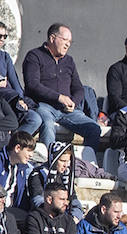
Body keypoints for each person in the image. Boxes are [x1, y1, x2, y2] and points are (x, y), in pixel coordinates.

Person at [22, 23, 99, 151]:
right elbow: (32, 85)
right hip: (43, 106)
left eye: (70, 41)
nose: (68, 44)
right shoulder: (34, 56)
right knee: (47, 125)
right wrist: (59, 97)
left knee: (93, 128)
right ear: (52, 38)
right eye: (65, 40)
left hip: (67, 110)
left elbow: (79, 88)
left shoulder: (69, 61)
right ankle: (50, 165)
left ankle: (85, 167)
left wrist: (73, 102)